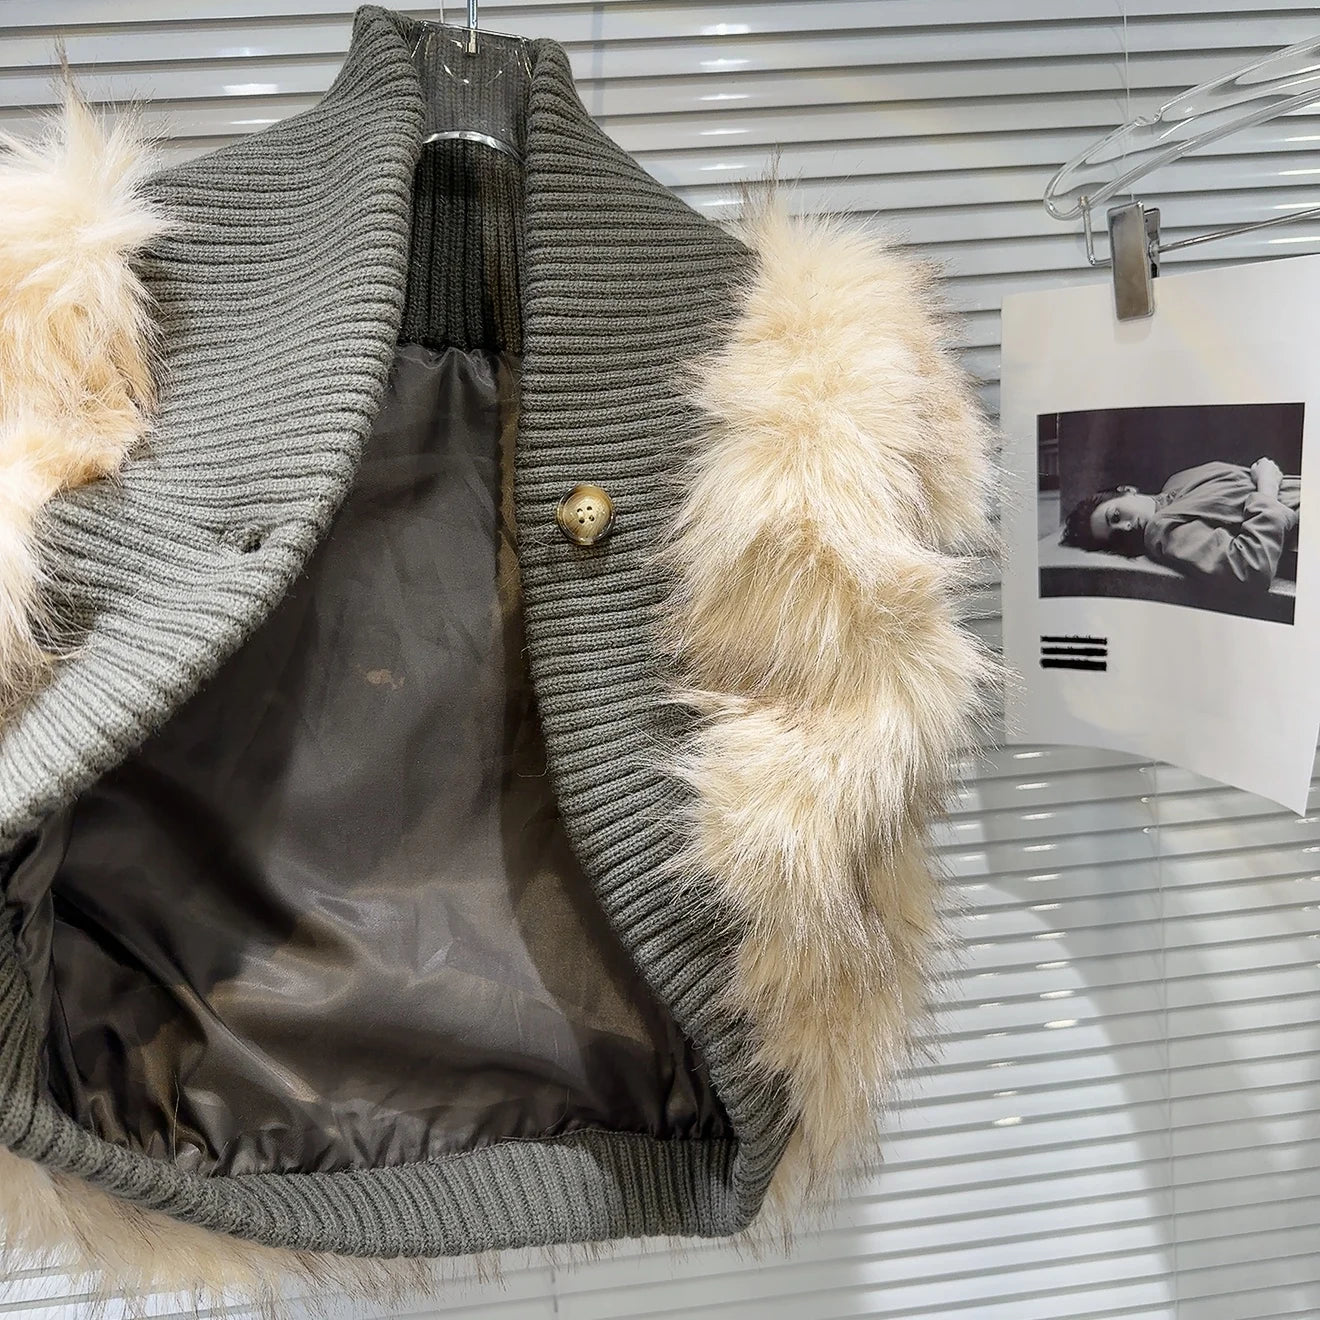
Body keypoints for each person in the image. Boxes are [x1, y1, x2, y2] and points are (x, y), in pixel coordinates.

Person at [1061, 458, 1300, 591]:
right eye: (1117, 538)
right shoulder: (1161, 529)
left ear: (1126, 490)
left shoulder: (1178, 480)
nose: (1126, 528)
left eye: (1115, 517)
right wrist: (1267, 486)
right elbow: (1249, 566)